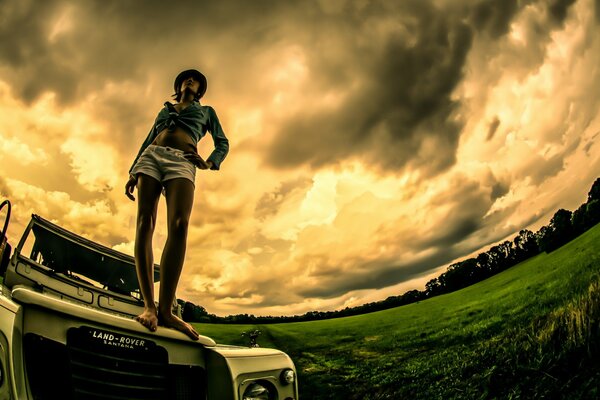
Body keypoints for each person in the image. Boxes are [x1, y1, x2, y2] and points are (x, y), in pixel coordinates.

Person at [125, 69, 229, 340]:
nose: (190, 80)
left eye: (195, 80)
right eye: (186, 78)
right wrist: (132, 171)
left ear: (200, 90)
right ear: (180, 85)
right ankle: (149, 306)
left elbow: (223, 142)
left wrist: (209, 162)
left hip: (183, 161)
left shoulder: (207, 112)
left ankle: (167, 310)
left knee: (180, 225)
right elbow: (149, 139)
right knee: (144, 221)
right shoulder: (165, 109)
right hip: (151, 157)